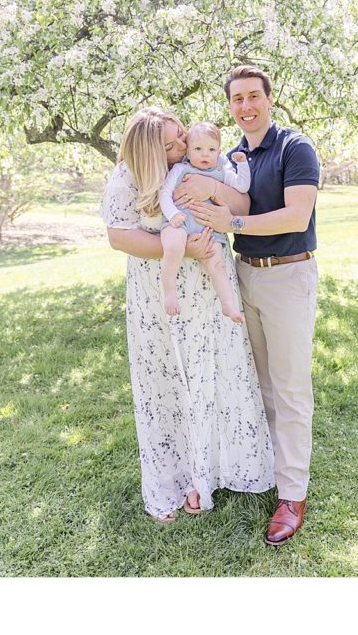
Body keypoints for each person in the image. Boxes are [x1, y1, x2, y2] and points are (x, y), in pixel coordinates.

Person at [101, 107, 275, 523]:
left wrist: (210, 191)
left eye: (182, 136)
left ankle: (217, 470)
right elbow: (118, 236)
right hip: (160, 295)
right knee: (169, 382)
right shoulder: (128, 176)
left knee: (215, 372)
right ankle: (174, 480)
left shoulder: (201, 160)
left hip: (211, 289)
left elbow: (242, 201)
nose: (182, 146)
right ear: (148, 151)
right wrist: (177, 248)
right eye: (171, 144)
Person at [188, 66, 320, 546]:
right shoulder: (231, 155)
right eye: (236, 100)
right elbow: (222, 197)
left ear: (269, 97)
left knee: (289, 388)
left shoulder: (295, 148)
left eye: (252, 97)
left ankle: (292, 493)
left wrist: (230, 223)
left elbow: (295, 214)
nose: (245, 107)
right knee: (258, 382)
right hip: (244, 273)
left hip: (287, 275)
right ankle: (265, 466)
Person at [159, 122, 250, 323]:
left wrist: (242, 165)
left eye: (211, 149)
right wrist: (173, 214)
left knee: (217, 264)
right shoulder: (180, 169)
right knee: (173, 247)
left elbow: (242, 187)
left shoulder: (222, 171)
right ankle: (169, 292)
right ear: (188, 151)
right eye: (198, 149)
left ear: (219, 152)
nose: (205, 155)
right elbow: (164, 193)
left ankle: (229, 305)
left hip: (208, 228)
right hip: (179, 222)